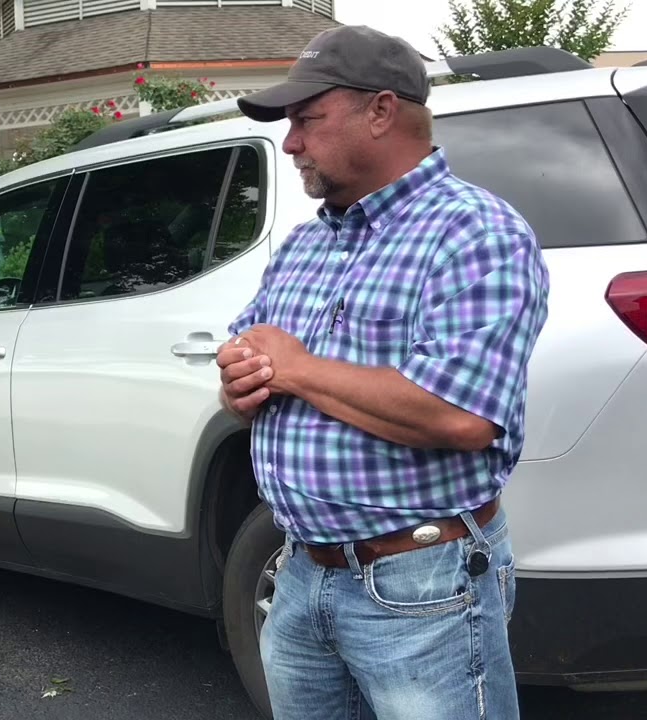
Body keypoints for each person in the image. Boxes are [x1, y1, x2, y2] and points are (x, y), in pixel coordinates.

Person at [217, 26, 549, 720]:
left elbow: (461, 415)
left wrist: (298, 368)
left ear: (381, 111)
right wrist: (240, 382)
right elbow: (256, 354)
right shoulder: (305, 245)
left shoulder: (474, 231)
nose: (291, 143)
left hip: (421, 585)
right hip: (302, 571)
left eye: (307, 119)